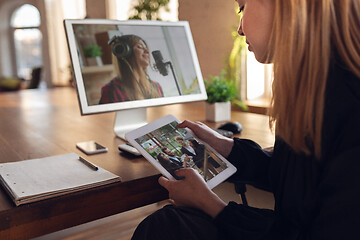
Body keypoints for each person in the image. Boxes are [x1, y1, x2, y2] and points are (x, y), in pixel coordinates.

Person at [132, 0, 360, 239]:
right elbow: (297, 179)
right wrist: (227, 148)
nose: (240, 29)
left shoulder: (349, 108)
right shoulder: (317, 89)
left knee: (165, 227)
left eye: (242, 7)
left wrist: (211, 205)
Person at [99, 35, 163, 104]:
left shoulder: (156, 87)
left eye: (146, 47)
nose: (147, 51)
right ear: (126, 52)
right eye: (140, 47)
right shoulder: (112, 90)